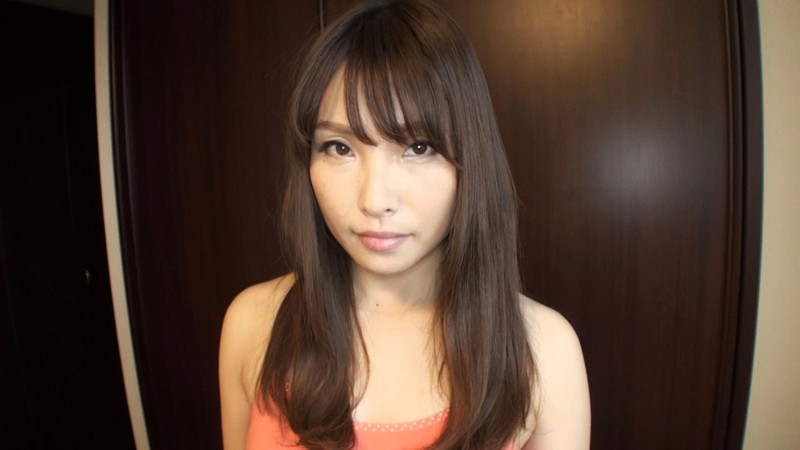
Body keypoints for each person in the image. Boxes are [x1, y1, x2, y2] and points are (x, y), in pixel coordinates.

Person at [219, 1, 590, 448]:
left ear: (471, 157)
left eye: (418, 147)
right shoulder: (253, 323)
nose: (375, 201)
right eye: (339, 147)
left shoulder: (545, 352)